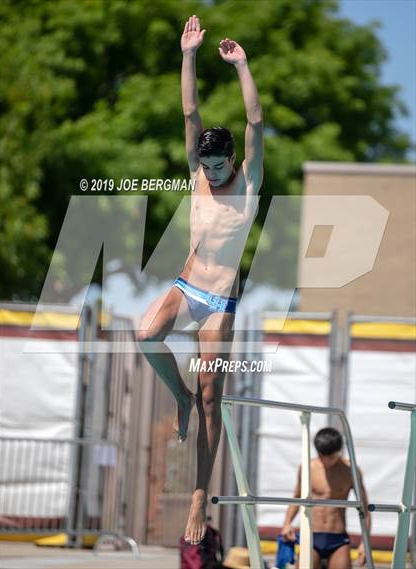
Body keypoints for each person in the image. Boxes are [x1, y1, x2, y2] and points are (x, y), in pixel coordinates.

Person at [137, 15, 263, 546]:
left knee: (214, 395)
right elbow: (189, 111)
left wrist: (241, 65)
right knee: (144, 336)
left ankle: (198, 495)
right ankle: (179, 398)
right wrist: (188, 54)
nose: (209, 176)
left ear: (231, 160)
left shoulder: (248, 182)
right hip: (188, 286)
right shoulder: (196, 172)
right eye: (204, 167)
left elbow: (255, 121)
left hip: (221, 302)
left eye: (216, 167)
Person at [281, 427, 371, 569]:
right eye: (322, 456)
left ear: (339, 451)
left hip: (338, 538)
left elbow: (365, 509)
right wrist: (287, 523)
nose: (326, 462)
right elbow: (297, 498)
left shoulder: (351, 471)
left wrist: (365, 544)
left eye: (331, 457)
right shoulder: (307, 468)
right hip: (311, 535)